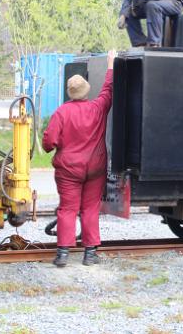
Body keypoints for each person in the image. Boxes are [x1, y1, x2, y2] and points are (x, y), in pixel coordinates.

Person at [43, 50, 116, 267]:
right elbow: (108, 89)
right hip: (95, 168)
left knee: (67, 209)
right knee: (90, 208)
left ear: (70, 92)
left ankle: (63, 254)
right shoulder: (97, 108)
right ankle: (90, 254)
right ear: (86, 91)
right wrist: (111, 65)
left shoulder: (61, 113)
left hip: (68, 170)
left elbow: (48, 143)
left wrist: (55, 147)